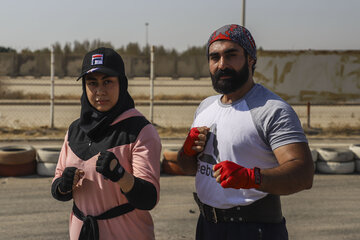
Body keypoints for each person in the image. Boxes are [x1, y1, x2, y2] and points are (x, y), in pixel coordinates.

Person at [177, 24, 314, 240]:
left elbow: (303, 174)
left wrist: (252, 177)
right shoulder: (205, 107)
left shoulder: (271, 109)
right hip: (207, 227)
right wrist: (186, 151)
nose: (222, 64)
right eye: (215, 57)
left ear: (251, 59)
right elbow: (187, 168)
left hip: (253, 229)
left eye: (231, 55)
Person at [51, 47, 161, 240]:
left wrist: (120, 175)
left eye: (108, 82)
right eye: (92, 83)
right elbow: (58, 187)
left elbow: (148, 198)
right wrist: (64, 184)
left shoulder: (140, 131)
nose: (100, 91)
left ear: (122, 84)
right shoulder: (74, 130)